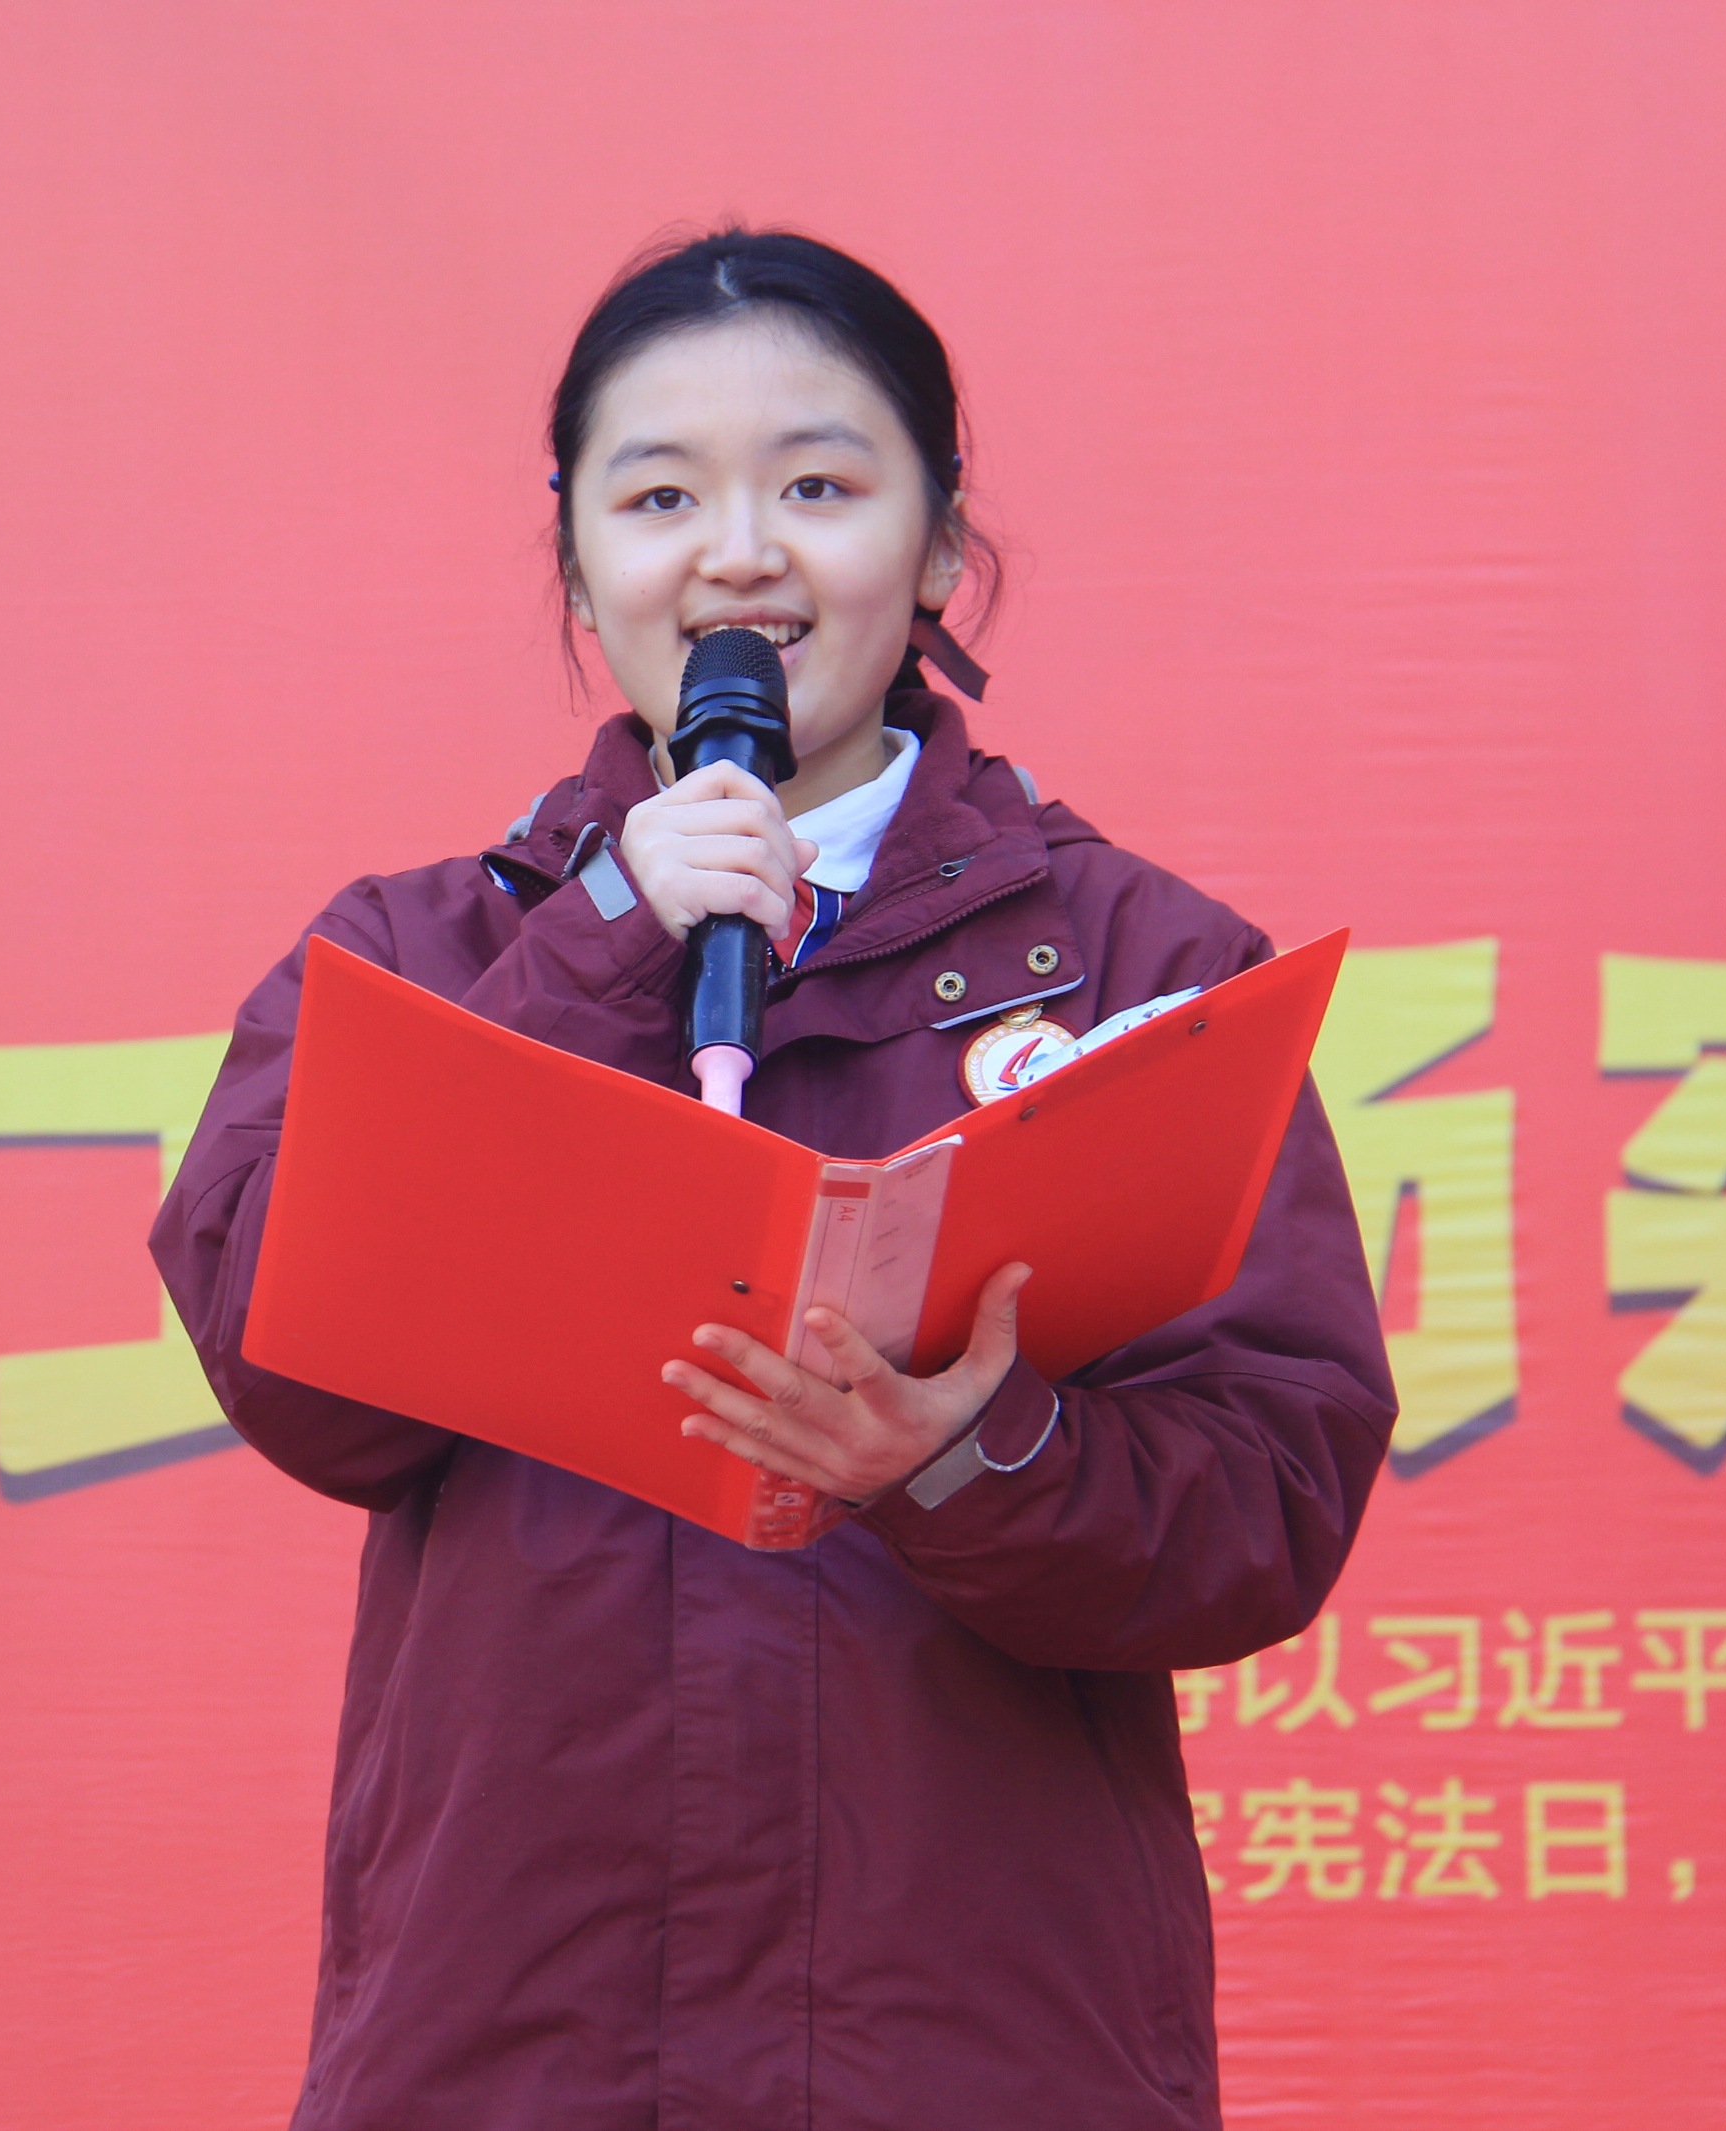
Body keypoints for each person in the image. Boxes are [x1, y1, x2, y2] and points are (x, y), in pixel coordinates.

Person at [151, 229, 1393, 2130]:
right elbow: (284, 1363)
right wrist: (598, 947)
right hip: (518, 2051)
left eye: (817, 486)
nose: (738, 555)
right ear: (578, 560)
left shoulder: (1138, 971)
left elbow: (1266, 1501)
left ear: (940, 545)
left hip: (977, 2057)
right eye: (660, 498)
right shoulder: (416, 960)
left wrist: (971, 1460)